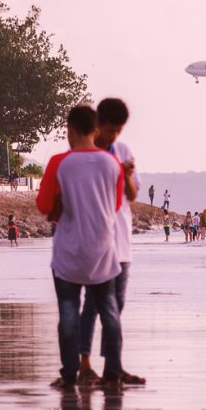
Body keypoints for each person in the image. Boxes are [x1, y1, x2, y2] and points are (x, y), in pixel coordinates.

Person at [36, 104, 126, 389]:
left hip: (68, 253)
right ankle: (112, 371)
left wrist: (62, 204)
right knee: (109, 312)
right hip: (103, 250)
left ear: (70, 130)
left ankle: (70, 372)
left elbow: (44, 205)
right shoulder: (112, 163)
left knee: (68, 313)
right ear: (96, 130)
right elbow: (115, 205)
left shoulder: (59, 162)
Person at [76, 99, 146, 386]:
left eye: (119, 131)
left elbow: (131, 195)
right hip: (96, 241)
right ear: (98, 125)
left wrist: (126, 176)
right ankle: (84, 362)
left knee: (116, 306)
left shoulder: (123, 151)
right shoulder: (84, 153)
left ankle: (112, 367)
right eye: (110, 130)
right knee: (93, 305)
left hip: (122, 241)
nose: (114, 136)